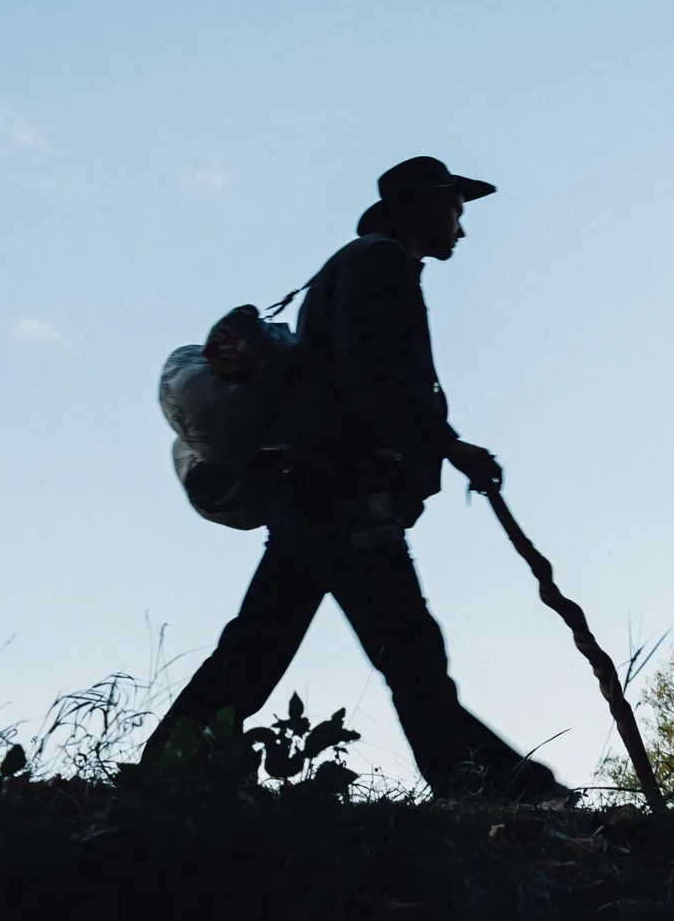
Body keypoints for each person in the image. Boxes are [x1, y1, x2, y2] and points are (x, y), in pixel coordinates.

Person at [143, 156, 569, 803]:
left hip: (310, 491)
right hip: (344, 493)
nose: (462, 227)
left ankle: (163, 770)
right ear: (422, 206)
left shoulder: (358, 267)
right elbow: (370, 375)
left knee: (258, 647)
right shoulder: (380, 264)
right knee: (410, 651)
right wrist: (449, 446)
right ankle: (498, 791)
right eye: (455, 209)